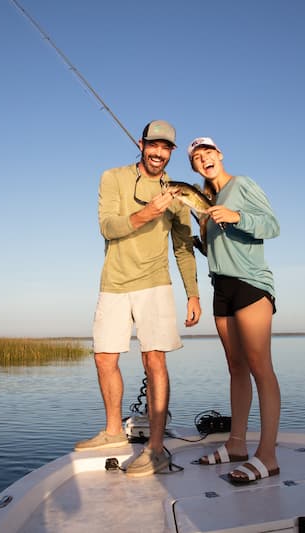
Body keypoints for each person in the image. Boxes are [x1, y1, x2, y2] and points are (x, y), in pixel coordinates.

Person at [75, 120, 202, 478]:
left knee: (154, 361)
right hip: (114, 282)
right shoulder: (112, 177)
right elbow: (108, 227)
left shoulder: (179, 193)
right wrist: (149, 211)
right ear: (142, 144)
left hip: (155, 283)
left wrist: (192, 293)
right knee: (103, 357)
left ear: (172, 152)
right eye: (153, 145)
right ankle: (114, 431)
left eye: (166, 148)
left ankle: (156, 448)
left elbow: (182, 248)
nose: (158, 153)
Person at [187, 136, 281, 484]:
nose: (203, 159)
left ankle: (268, 456)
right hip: (221, 287)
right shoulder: (205, 202)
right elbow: (220, 250)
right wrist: (200, 242)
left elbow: (272, 225)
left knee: (260, 367)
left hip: (250, 284)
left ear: (220, 155)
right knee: (236, 367)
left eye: (208, 152)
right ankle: (237, 444)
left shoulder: (241, 185)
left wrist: (237, 215)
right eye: (197, 157)